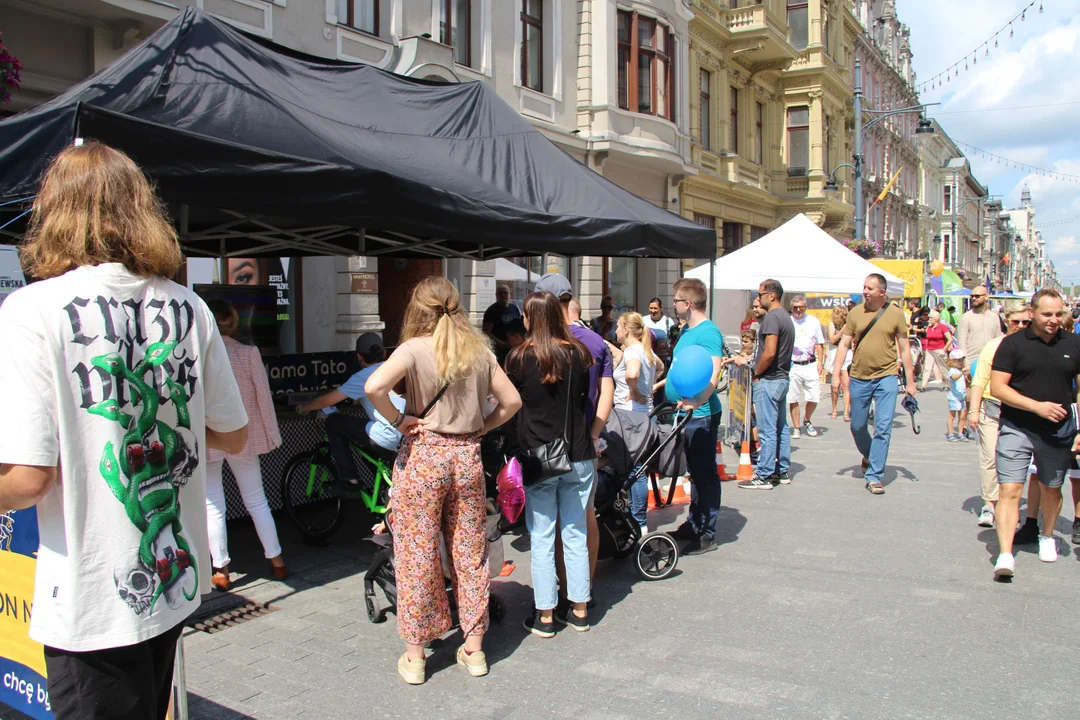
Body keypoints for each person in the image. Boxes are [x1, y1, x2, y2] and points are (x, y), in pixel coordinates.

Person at [0, 141, 250, 719]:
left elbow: (28, 478)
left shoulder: (32, 310)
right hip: (169, 592)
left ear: (55, 210)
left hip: (89, 600)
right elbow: (233, 438)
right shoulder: (190, 307)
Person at [363, 277, 522, 684]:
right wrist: (482, 429)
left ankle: (416, 657)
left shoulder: (414, 349)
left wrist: (400, 421)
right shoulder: (479, 350)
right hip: (467, 456)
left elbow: (374, 386)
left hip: (425, 455)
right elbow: (512, 402)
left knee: (418, 553)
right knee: (470, 555)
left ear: (420, 308)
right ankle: (474, 650)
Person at [507, 292, 596, 637]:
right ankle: (579, 609)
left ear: (532, 318)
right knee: (575, 533)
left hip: (539, 456)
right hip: (577, 451)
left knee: (542, 537)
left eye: (526, 316)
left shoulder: (519, 357)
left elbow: (512, 403)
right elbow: (582, 400)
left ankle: (544, 614)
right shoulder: (577, 353)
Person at [989, 288, 1080, 579]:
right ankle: (1005, 554)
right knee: (1010, 489)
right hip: (1017, 426)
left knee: (1052, 487)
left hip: (1059, 431)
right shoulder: (1012, 344)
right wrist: (1035, 407)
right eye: (1047, 314)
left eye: (1058, 314)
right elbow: (998, 387)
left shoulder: (1074, 343)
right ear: (1032, 313)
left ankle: (1047, 535)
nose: (1053, 320)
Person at [534, 274, 615, 580]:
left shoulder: (541, 344)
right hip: (584, 440)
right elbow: (606, 393)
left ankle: (558, 589)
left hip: (547, 442)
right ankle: (582, 588)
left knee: (549, 522)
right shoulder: (595, 342)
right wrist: (594, 432)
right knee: (584, 515)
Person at [205, 300, 286, 592]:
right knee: (256, 500)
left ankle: (222, 569)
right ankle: (277, 560)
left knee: (213, 505)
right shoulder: (248, 353)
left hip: (209, 435)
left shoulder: (198, 355)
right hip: (244, 436)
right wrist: (272, 435)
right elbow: (264, 398)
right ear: (234, 322)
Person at [831, 274, 916, 496]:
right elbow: (844, 345)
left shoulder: (896, 314)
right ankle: (871, 455)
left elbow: (905, 349)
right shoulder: (856, 313)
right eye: (864, 287)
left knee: (883, 426)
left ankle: (874, 475)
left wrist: (910, 382)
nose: (865, 291)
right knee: (857, 426)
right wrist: (836, 374)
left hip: (886, 376)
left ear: (882, 292)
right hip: (859, 376)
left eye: (870, 288)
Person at [297, 333, 406, 497]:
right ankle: (384, 490)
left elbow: (327, 400)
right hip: (406, 433)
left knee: (334, 422)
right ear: (384, 353)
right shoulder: (394, 367)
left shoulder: (363, 376)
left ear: (359, 357)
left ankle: (349, 480)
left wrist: (304, 408)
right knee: (367, 452)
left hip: (388, 435)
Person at [665, 277, 725, 553]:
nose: (673, 304)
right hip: (687, 413)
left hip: (701, 414)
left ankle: (706, 531)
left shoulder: (708, 332)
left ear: (687, 304)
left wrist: (696, 400)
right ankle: (694, 522)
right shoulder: (686, 331)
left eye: (676, 300)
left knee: (705, 473)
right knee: (695, 473)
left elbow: (713, 372)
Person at [967, 301, 1031, 529]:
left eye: (1026, 321)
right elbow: (979, 380)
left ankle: (1008, 506)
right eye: (1016, 321)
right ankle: (989, 504)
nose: (1021, 325)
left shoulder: (1034, 347)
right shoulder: (994, 346)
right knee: (990, 458)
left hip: (1021, 413)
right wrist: (973, 410)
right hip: (992, 408)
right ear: (1007, 321)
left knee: (1014, 461)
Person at [735, 279, 794, 490]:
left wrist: (755, 372)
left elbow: (769, 352)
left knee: (767, 430)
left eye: (760, 294)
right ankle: (782, 469)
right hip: (781, 377)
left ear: (772, 295)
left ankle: (765, 474)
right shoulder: (785, 317)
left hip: (770, 379)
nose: (757, 298)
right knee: (780, 427)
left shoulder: (772, 318)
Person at [787, 295, 825, 439]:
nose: (798, 310)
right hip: (793, 364)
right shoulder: (788, 321)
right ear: (791, 308)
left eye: (801, 307)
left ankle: (807, 419)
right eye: (795, 308)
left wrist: (821, 363)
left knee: (814, 396)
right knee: (793, 397)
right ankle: (796, 427)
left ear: (805, 307)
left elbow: (820, 343)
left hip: (810, 363)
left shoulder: (813, 321)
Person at [957, 286, 1002, 376]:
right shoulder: (966, 317)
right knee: (972, 389)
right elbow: (962, 343)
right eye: (972, 296)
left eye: (977, 296)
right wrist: (966, 364)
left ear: (986, 297)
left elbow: (998, 340)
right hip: (972, 362)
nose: (974, 298)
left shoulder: (994, 317)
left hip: (990, 362)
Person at [482, 284, 523, 363]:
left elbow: (519, 325)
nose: (503, 295)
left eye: (505, 293)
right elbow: (486, 332)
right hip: (499, 351)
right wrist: (503, 344)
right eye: (500, 293)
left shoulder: (514, 308)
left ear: (510, 295)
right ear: (496, 295)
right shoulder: (491, 311)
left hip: (515, 349)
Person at [826, 306, 852, 421]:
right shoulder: (831, 325)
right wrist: (842, 330)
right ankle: (834, 409)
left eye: (846, 315)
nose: (845, 317)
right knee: (835, 386)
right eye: (843, 316)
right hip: (835, 353)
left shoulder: (849, 324)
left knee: (846, 384)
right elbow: (832, 339)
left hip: (847, 354)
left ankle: (846, 412)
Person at [918, 310, 952, 391]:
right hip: (930, 349)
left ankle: (947, 384)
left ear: (936, 319)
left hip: (939, 349)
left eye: (931, 318)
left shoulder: (942, 327)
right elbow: (928, 338)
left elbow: (949, 339)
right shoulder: (929, 328)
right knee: (927, 367)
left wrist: (944, 349)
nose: (929, 319)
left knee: (942, 367)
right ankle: (923, 386)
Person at [945, 349, 968, 442]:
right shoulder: (952, 370)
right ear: (953, 361)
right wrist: (962, 373)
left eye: (962, 360)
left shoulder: (959, 370)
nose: (961, 362)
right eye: (958, 360)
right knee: (952, 416)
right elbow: (954, 378)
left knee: (962, 416)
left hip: (962, 397)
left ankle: (960, 433)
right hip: (954, 397)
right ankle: (950, 433)